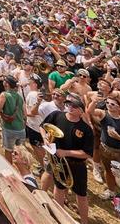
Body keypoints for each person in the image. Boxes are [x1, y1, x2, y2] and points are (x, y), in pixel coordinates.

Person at [40, 93, 93, 224]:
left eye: (74, 106)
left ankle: (84, 221)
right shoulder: (57, 115)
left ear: (81, 110)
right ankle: (59, 216)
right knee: (59, 188)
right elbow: (43, 126)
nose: (70, 107)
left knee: (81, 195)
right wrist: (45, 138)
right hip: (58, 161)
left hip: (76, 165)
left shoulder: (86, 129)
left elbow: (87, 153)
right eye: (68, 104)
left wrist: (66, 152)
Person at [0, 76, 26, 152]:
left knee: (8, 151)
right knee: (20, 154)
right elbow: (25, 115)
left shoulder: (4, 95)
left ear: (6, 84)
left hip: (9, 129)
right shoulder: (20, 97)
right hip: (21, 129)